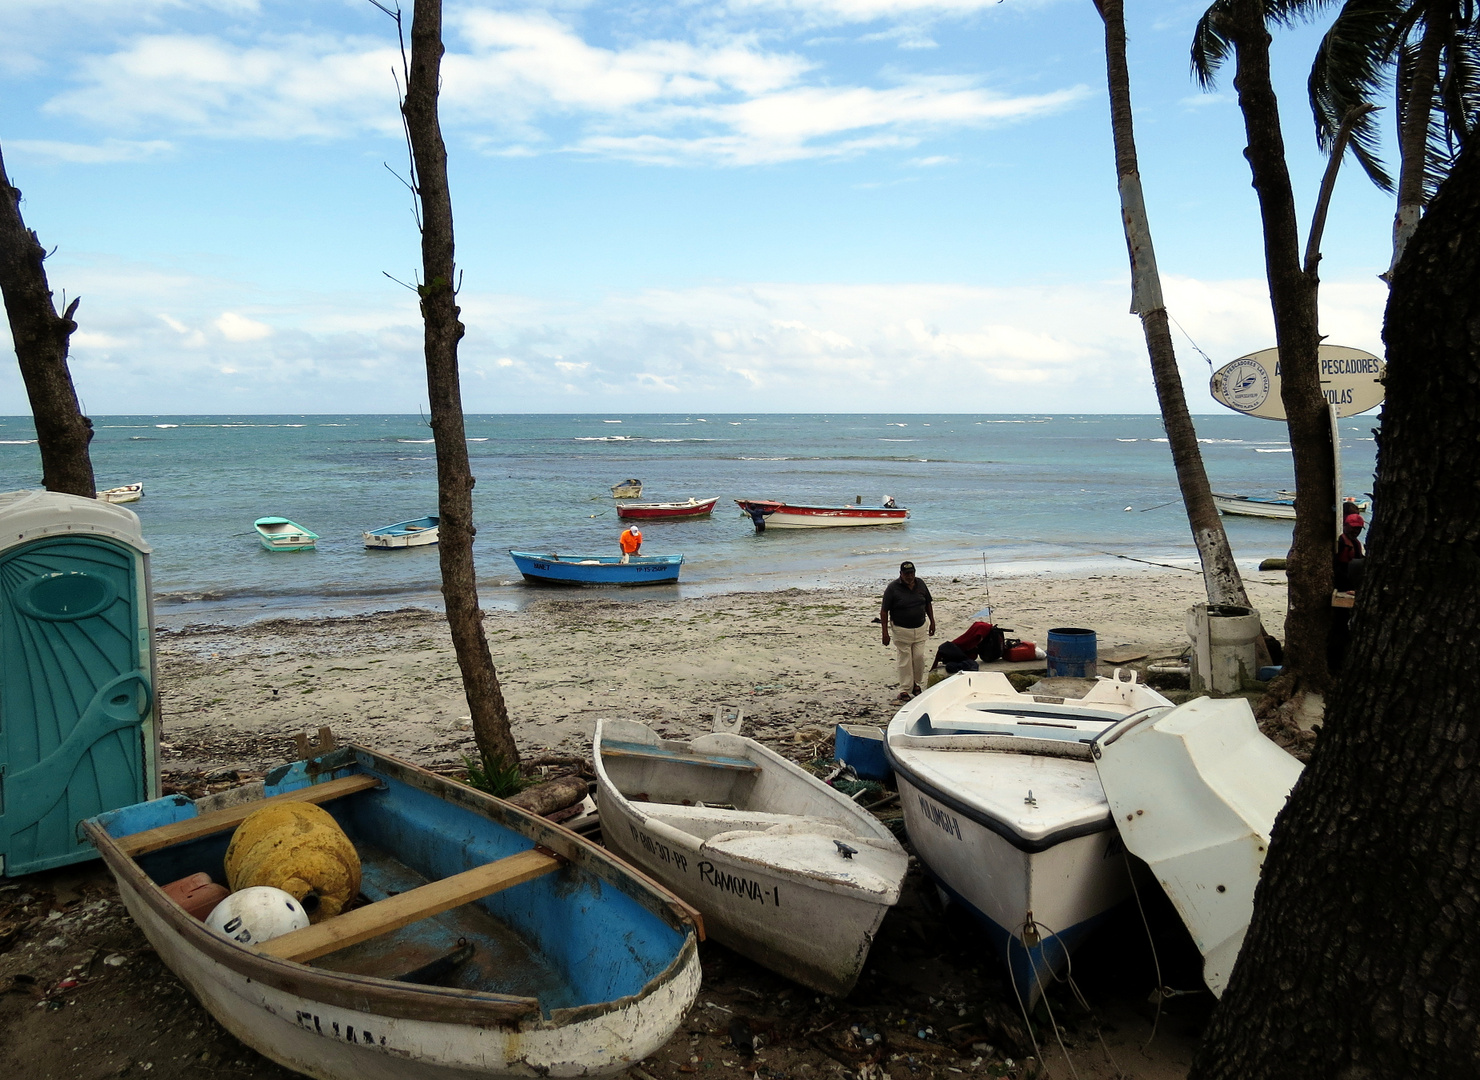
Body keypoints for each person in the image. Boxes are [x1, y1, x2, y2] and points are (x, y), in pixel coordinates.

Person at [880, 561, 935, 701]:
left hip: (920, 627)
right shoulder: (892, 588)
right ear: (901, 574)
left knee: (919, 658)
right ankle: (905, 689)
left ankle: (916, 684)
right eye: (906, 573)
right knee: (905, 659)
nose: (909, 576)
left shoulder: (920, 584)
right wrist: (884, 632)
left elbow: (928, 603)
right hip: (901, 629)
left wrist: (932, 622)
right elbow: (884, 611)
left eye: (912, 573)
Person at [1335, 512, 1365, 591]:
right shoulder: (1340, 541)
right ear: (1345, 525)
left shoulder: (1355, 542)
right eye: (1354, 528)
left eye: (1359, 529)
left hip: (1352, 580)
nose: (1356, 531)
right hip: (1341, 580)